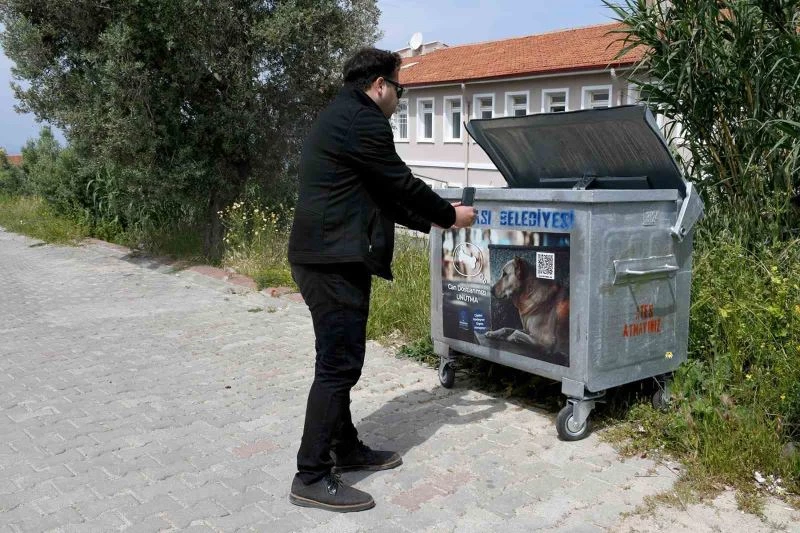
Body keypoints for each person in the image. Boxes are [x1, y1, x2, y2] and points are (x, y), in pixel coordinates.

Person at [287, 47, 477, 512]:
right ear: (380, 86)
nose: (399, 98)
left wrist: (432, 222)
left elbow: (381, 196)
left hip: (323, 257)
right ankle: (311, 475)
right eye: (400, 89)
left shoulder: (341, 115)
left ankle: (344, 447)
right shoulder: (364, 120)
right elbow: (400, 182)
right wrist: (449, 216)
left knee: (336, 359)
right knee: (338, 365)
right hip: (332, 261)